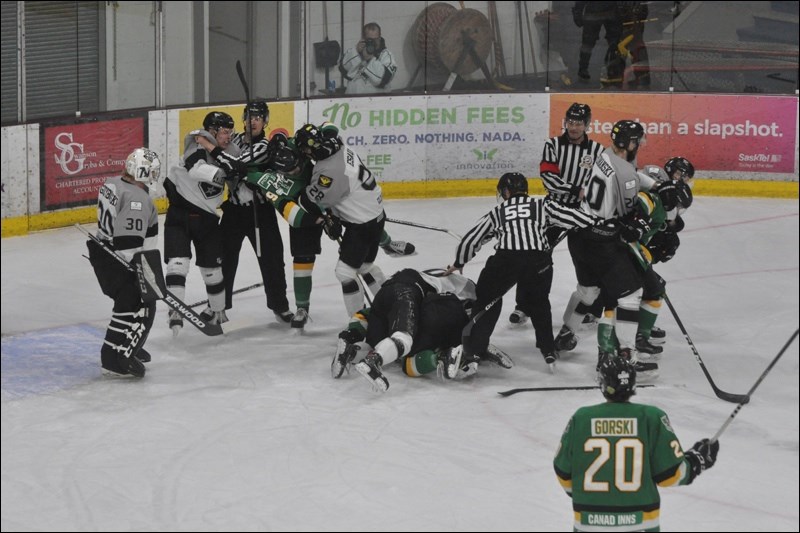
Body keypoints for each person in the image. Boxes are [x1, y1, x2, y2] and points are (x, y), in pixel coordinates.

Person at [444, 172, 600, 373]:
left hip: (506, 261)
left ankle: (474, 350)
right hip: (539, 262)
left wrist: (459, 262)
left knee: (486, 300)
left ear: (506, 191)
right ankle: (548, 349)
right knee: (540, 303)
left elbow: (471, 240)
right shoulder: (543, 205)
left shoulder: (498, 211)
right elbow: (581, 219)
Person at [554, 356, 720, 531]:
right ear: (633, 385)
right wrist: (697, 460)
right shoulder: (651, 417)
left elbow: (563, 472)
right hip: (640, 524)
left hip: (589, 524)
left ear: (603, 384)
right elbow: (671, 475)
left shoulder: (581, 418)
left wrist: (586, 494)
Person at [567, 120, 659, 375]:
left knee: (588, 291)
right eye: (637, 141)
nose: (639, 145)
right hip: (601, 241)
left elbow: (628, 176)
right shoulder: (626, 175)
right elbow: (628, 214)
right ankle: (627, 354)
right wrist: (640, 220)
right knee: (629, 295)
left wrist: (654, 185)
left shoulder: (604, 155)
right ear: (629, 143)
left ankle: (566, 333)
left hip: (580, 233)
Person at [333, 268, 509, 392]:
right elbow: (480, 304)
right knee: (404, 338)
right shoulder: (460, 290)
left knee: (379, 340)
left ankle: (351, 348)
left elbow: (364, 314)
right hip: (411, 293)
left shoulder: (435, 281)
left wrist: (352, 332)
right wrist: (479, 343)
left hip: (385, 294)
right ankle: (375, 360)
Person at [509, 103, 604, 328]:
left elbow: (602, 181)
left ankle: (592, 308)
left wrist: (591, 194)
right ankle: (524, 305)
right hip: (553, 209)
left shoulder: (598, 151)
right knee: (535, 254)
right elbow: (549, 179)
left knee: (591, 259)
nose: (573, 127)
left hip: (583, 213)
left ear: (587, 125)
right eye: (570, 122)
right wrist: (576, 189)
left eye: (579, 123)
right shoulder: (552, 145)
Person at [208, 100, 294, 324]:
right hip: (234, 212)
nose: (252, 121)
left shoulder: (265, 146)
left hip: (261, 212)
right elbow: (224, 162)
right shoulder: (233, 139)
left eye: (258, 117)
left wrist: (240, 169)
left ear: (265, 121)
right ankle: (218, 307)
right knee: (224, 259)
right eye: (249, 116)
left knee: (272, 259)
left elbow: (236, 164)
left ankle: (280, 306)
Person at [296, 122, 389, 317]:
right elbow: (330, 126)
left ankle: (359, 320)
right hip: (376, 215)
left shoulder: (330, 173)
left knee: (345, 273)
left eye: (305, 149)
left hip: (362, 225)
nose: (304, 153)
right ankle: (393, 302)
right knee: (364, 266)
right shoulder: (337, 143)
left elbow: (309, 201)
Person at [86, 148, 161, 377]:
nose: (154, 176)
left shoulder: (112, 182)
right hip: (118, 257)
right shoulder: (138, 199)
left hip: (102, 250)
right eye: (152, 171)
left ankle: (128, 343)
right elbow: (128, 243)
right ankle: (113, 358)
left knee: (129, 300)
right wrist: (145, 274)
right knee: (134, 301)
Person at [163, 111, 239, 335]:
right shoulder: (196, 142)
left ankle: (218, 311)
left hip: (207, 219)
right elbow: (196, 170)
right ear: (212, 131)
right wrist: (225, 171)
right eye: (224, 132)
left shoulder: (228, 151)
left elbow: (238, 166)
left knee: (212, 271)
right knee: (178, 263)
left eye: (230, 132)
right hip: (180, 215)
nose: (228, 136)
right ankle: (175, 310)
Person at [339, 22, 397, 95]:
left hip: (376, 102)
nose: (373, 43)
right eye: (370, 40)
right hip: (353, 100)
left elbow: (384, 80)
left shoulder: (387, 55)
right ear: (364, 38)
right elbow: (344, 70)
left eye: (375, 39)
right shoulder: (354, 51)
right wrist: (357, 52)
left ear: (379, 38)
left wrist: (370, 58)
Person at [572, 2, 622, 83]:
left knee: (614, 43)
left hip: (605, 12)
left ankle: (611, 69)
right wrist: (577, 12)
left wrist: (577, 12)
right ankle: (583, 69)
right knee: (589, 44)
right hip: (599, 12)